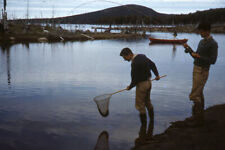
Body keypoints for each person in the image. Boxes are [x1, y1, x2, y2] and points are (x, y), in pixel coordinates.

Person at [183, 22, 218, 122]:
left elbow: (213, 61)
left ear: (207, 31)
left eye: (201, 31)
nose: (199, 33)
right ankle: (199, 117)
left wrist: (199, 57)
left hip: (203, 70)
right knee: (199, 93)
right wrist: (188, 49)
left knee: (194, 95)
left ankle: (197, 118)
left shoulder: (213, 44)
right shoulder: (201, 42)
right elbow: (196, 56)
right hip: (196, 68)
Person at [120, 47, 160, 126]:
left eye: (124, 57)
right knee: (148, 102)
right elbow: (152, 64)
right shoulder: (142, 56)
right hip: (149, 83)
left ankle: (143, 125)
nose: (124, 59)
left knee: (140, 105)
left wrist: (130, 87)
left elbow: (135, 79)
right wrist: (157, 75)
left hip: (142, 85)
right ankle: (152, 121)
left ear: (129, 54)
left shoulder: (134, 63)